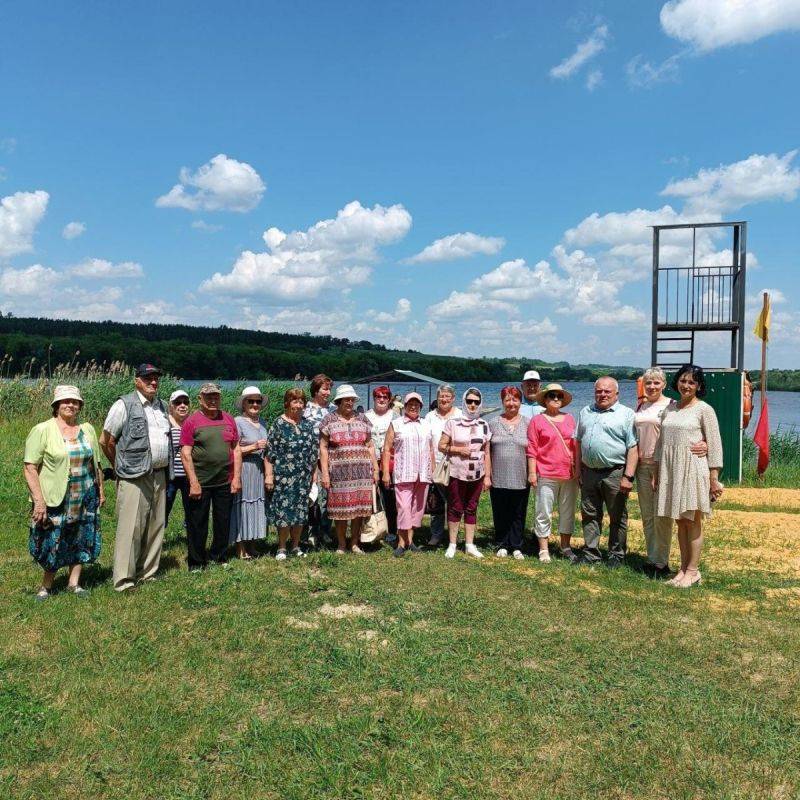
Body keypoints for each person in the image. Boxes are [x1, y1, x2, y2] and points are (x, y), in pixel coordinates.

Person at [24, 385, 104, 600]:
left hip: (85, 495)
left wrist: (101, 491)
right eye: (66, 401)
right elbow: (30, 466)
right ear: (56, 405)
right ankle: (46, 586)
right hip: (55, 497)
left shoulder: (87, 429)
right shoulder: (43, 430)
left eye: (75, 401)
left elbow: (95, 464)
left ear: (80, 406)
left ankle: (74, 583)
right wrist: (38, 501)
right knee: (52, 538)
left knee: (81, 535)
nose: (71, 405)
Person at [100, 363, 171, 592]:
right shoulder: (124, 404)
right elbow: (106, 441)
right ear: (137, 380)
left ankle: (147, 573)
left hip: (159, 474)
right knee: (130, 528)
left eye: (156, 378)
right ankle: (124, 580)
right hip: (133, 477)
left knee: (155, 525)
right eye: (148, 378)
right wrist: (120, 467)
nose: (153, 382)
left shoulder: (161, 406)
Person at [634, 367, 709, 579]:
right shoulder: (642, 406)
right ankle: (654, 558)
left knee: (665, 516)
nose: (652, 386)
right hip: (645, 465)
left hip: (670, 467)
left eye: (656, 383)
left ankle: (664, 563)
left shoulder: (671, 406)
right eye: (648, 382)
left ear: (665, 385)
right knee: (649, 515)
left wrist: (705, 445)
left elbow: (700, 434)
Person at [654, 365, 723, 588]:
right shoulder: (669, 409)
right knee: (679, 520)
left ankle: (693, 571)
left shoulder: (704, 410)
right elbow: (661, 443)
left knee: (692, 521)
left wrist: (714, 478)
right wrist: (657, 472)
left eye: (692, 382)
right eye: (683, 381)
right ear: (677, 382)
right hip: (671, 470)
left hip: (693, 469)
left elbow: (715, 445)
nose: (686, 385)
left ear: (699, 386)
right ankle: (682, 569)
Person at [573, 376, 638, 568]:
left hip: (615, 473)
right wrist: (578, 469)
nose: (602, 394)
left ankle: (616, 555)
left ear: (616, 393)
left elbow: (633, 447)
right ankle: (591, 552)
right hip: (589, 472)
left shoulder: (626, 414)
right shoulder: (585, 411)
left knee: (617, 516)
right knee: (589, 514)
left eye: (607, 391)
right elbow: (578, 441)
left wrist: (628, 476)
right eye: (599, 391)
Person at [180, 383, 242, 569]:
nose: (213, 400)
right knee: (197, 523)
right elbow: (185, 453)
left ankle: (219, 556)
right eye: (208, 397)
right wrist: (193, 482)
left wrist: (236, 478)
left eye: (216, 396)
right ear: (200, 399)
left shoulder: (229, 419)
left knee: (223, 521)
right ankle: (197, 562)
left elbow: (236, 449)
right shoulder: (192, 421)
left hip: (224, 480)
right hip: (201, 481)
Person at [319, 384, 378, 554]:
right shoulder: (329, 420)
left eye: (352, 399)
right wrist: (325, 473)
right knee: (340, 511)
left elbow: (370, 445)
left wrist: (375, 468)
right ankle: (341, 544)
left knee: (359, 509)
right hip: (338, 473)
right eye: (346, 399)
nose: (350, 402)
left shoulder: (363, 419)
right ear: (339, 401)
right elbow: (323, 447)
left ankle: (354, 543)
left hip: (361, 473)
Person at [527, 383, 578, 563]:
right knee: (543, 511)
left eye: (559, 396)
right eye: (551, 396)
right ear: (545, 399)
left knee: (567, 511)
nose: (556, 399)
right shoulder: (537, 421)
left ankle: (565, 546)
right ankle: (544, 549)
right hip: (546, 472)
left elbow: (575, 446)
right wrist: (532, 472)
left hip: (569, 474)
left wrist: (578, 470)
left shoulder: (570, 418)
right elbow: (532, 448)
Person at [266, 388, 319, 560]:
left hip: (303, 477)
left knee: (300, 512)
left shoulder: (308, 425)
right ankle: (281, 547)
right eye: (295, 401)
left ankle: (295, 546)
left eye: (301, 401)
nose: (298, 404)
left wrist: (313, 476)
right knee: (283, 512)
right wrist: (269, 476)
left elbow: (313, 454)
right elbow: (269, 453)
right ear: (287, 403)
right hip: (283, 477)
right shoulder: (278, 424)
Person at [439, 388, 492, 559]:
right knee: (455, 508)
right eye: (469, 401)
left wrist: (488, 476)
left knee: (471, 508)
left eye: (476, 402)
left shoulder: (483, 425)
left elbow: (487, 453)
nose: (472, 404)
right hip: (457, 472)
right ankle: (452, 544)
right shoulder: (453, 423)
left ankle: (469, 544)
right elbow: (441, 445)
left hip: (477, 474)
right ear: (464, 401)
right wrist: (458, 449)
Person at [382, 392, 435, 557]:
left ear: (421, 406)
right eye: (410, 404)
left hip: (423, 474)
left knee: (416, 509)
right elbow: (386, 449)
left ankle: (410, 541)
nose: (413, 407)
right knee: (403, 507)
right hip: (403, 473)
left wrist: (432, 470)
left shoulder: (426, 424)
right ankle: (401, 542)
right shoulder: (396, 424)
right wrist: (385, 472)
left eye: (417, 404)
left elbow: (431, 448)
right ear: (404, 406)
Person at [487, 386, 529, 560]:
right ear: (502, 402)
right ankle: (502, 543)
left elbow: (534, 450)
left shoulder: (528, 423)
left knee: (518, 512)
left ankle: (517, 544)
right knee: (500, 511)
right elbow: (486, 452)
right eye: (508, 400)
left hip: (521, 475)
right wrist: (487, 476)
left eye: (515, 399)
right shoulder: (493, 423)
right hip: (499, 476)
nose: (511, 403)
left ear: (520, 402)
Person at [229, 386, 268, 559]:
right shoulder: (237, 422)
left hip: (259, 470)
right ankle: (240, 548)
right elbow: (232, 450)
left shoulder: (263, 422)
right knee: (242, 506)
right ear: (243, 404)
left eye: (258, 401)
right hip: (244, 468)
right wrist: (253, 447)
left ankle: (252, 544)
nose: (254, 404)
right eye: (250, 401)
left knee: (256, 505)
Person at [424, 384, 462, 547]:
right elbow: (427, 443)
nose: (444, 399)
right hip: (436, 464)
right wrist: (431, 465)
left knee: (456, 501)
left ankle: (454, 535)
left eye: (447, 396)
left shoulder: (460, 415)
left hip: (457, 464)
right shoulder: (430, 416)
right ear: (437, 398)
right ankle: (436, 534)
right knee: (436, 504)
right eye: (441, 396)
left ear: (453, 398)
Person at [303, 373, 334, 548]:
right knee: (312, 496)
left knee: (327, 496)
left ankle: (325, 530)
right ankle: (311, 532)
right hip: (310, 459)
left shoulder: (332, 410)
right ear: (315, 390)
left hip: (329, 459)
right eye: (324, 388)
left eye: (329, 389)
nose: (328, 392)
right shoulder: (305, 409)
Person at [366, 385, 398, 544]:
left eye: (385, 397)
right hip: (370, 461)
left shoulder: (395, 416)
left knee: (390, 498)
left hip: (390, 462)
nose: (382, 399)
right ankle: (371, 530)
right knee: (370, 498)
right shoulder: (365, 416)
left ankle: (392, 531)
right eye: (379, 396)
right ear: (374, 398)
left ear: (389, 399)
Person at [165, 389, 191, 526]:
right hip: (170, 476)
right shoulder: (165, 422)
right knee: (164, 506)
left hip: (188, 475)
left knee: (191, 509)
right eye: (178, 402)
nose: (182, 405)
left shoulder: (192, 423)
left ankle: (191, 541)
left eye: (185, 402)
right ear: (171, 406)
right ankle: (157, 541)